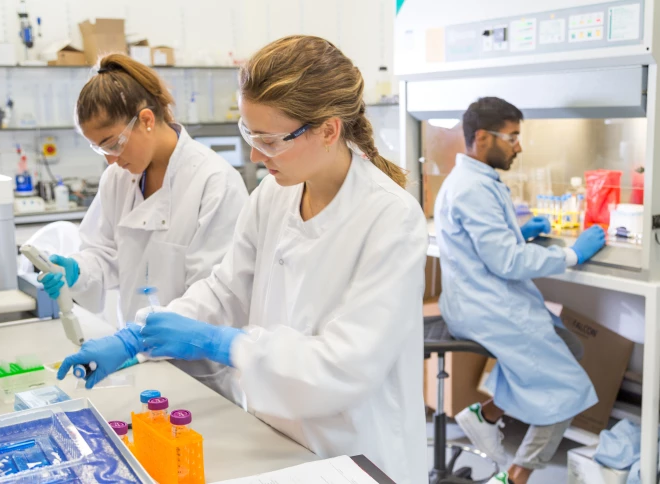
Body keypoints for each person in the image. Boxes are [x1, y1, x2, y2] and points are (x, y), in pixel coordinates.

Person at [57, 36, 429, 483]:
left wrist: (225, 344)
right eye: (249, 135)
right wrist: (139, 335)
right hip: (276, 440)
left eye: (269, 140)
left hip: (357, 453)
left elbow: (343, 367)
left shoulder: (391, 218)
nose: (254, 155)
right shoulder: (273, 194)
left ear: (329, 131)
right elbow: (224, 288)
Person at [40, 54, 248, 396]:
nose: (111, 159)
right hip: (134, 360)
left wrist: (136, 338)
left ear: (147, 120)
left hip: (199, 375)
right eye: (99, 150)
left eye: (113, 143)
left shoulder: (214, 181)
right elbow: (105, 252)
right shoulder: (117, 178)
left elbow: (213, 295)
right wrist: (77, 270)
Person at [434, 97, 607, 484]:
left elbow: (486, 246)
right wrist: (571, 255)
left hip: (482, 300)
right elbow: (507, 262)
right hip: (487, 308)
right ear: (482, 137)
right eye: (512, 137)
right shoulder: (472, 189)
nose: (519, 147)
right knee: (568, 387)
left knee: (569, 348)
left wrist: (520, 233)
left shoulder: (473, 180)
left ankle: (487, 415)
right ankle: (515, 477)